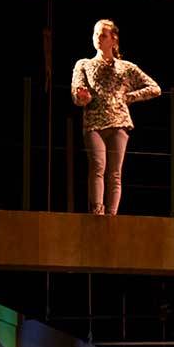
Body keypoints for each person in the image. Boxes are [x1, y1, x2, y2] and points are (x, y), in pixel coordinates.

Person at [70, 19, 161, 216]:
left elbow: (155, 88)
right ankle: (97, 211)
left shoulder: (125, 67)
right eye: (95, 34)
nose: (98, 38)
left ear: (114, 39)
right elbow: (76, 92)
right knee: (97, 165)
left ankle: (112, 216)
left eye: (103, 35)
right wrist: (82, 97)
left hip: (119, 123)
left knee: (115, 173)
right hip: (94, 122)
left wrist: (130, 97)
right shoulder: (84, 64)